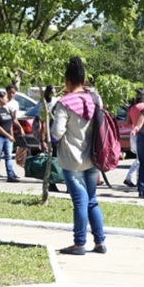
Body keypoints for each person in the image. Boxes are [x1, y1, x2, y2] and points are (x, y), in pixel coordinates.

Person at [51, 57, 107, 256]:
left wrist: (52, 136)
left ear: (67, 81)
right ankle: (100, 242)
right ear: (83, 80)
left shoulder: (64, 103)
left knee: (80, 201)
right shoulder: (95, 99)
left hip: (71, 159)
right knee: (92, 200)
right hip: (93, 156)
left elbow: (57, 132)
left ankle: (79, 243)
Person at [122, 90, 144, 189]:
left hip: (134, 133)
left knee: (139, 158)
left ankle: (138, 180)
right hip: (143, 133)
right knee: (141, 159)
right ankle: (130, 178)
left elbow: (128, 122)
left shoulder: (131, 108)